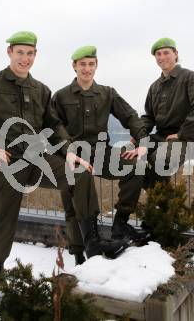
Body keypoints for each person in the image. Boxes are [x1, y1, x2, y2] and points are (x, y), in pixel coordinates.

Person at [0, 32, 128, 281]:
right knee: (1, 218)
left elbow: (53, 126)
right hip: (5, 164)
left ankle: (93, 246)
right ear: (10, 52)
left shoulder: (41, 90)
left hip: (37, 160)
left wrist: (69, 151)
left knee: (80, 175)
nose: (25, 58)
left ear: (35, 55)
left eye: (30, 53)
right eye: (20, 52)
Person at [52, 45, 149, 265]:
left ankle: (120, 224)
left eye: (91, 64)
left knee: (136, 166)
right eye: (82, 64)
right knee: (72, 201)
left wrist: (142, 142)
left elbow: (130, 116)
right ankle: (82, 251)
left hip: (102, 152)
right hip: (73, 155)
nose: (87, 69)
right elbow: (52, 127)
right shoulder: (60, 96)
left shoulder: (107, 93)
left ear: (96, 66)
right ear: (74, 66)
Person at [125, 37, 194, 187]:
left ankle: (163, 202)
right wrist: (137, 135)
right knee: (125, 156)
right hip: (161, 137)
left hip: (187, 138)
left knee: (159, 159)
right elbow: (149, 117)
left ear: (175, 54)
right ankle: (160, 200)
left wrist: (181, 134)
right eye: (158, 54)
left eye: (166, 53)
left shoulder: (190, 78)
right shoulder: (154, 87)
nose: (162, 57)